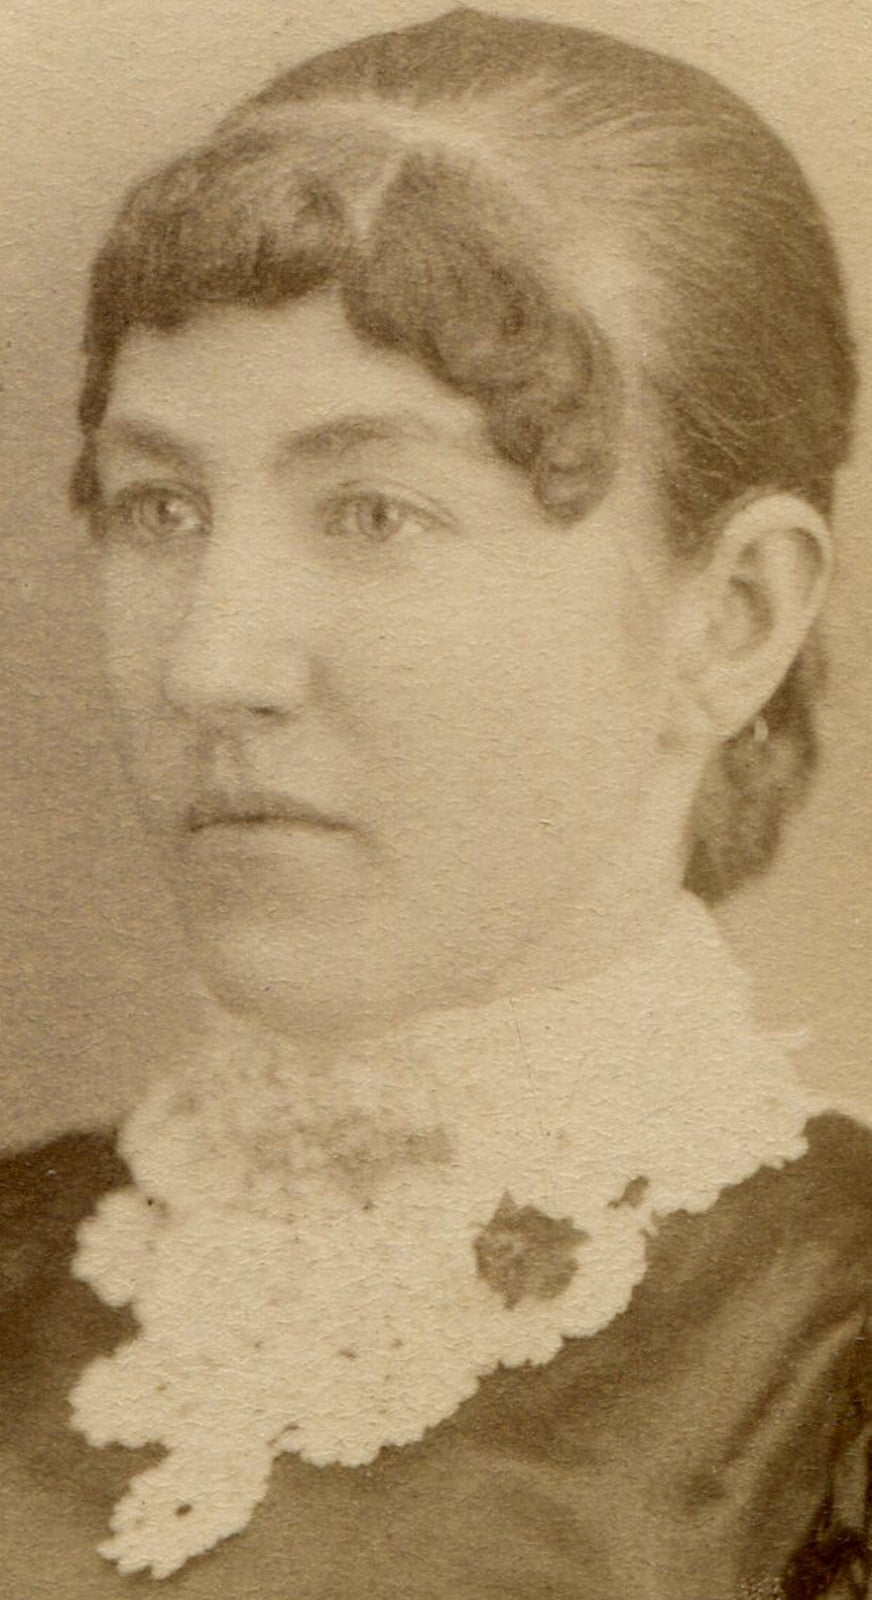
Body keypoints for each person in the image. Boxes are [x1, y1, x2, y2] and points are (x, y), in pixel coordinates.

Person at [1, 9, 869, 1597]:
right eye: (160, 505)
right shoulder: (10, 1271)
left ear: (732, 614)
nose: (208, 663)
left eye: (375, 511)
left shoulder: (831, 1368)